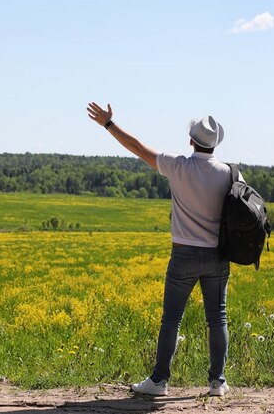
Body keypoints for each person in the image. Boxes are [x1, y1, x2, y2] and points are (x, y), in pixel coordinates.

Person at [86, 102, 232, 397]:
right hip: (217, 256)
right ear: (215, 143)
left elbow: (138, 148)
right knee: (217, 318)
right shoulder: (230, 173)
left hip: (184, 255)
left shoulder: (178, 166)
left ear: (192, 140)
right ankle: (217, 382)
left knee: (172, 319)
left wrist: (109, 125)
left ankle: (159, 382)